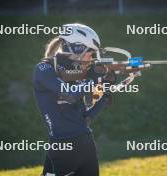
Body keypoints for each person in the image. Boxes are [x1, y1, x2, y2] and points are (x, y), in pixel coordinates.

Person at [32, 23, 115, 176]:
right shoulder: (44, 69)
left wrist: (106, 91)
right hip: (64, 145)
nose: (91, 59)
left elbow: (86, 119)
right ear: (76, 48)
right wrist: (93, 80)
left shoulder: (77, 74)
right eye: (90, 53)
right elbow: (70, 94)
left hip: (84, 142)